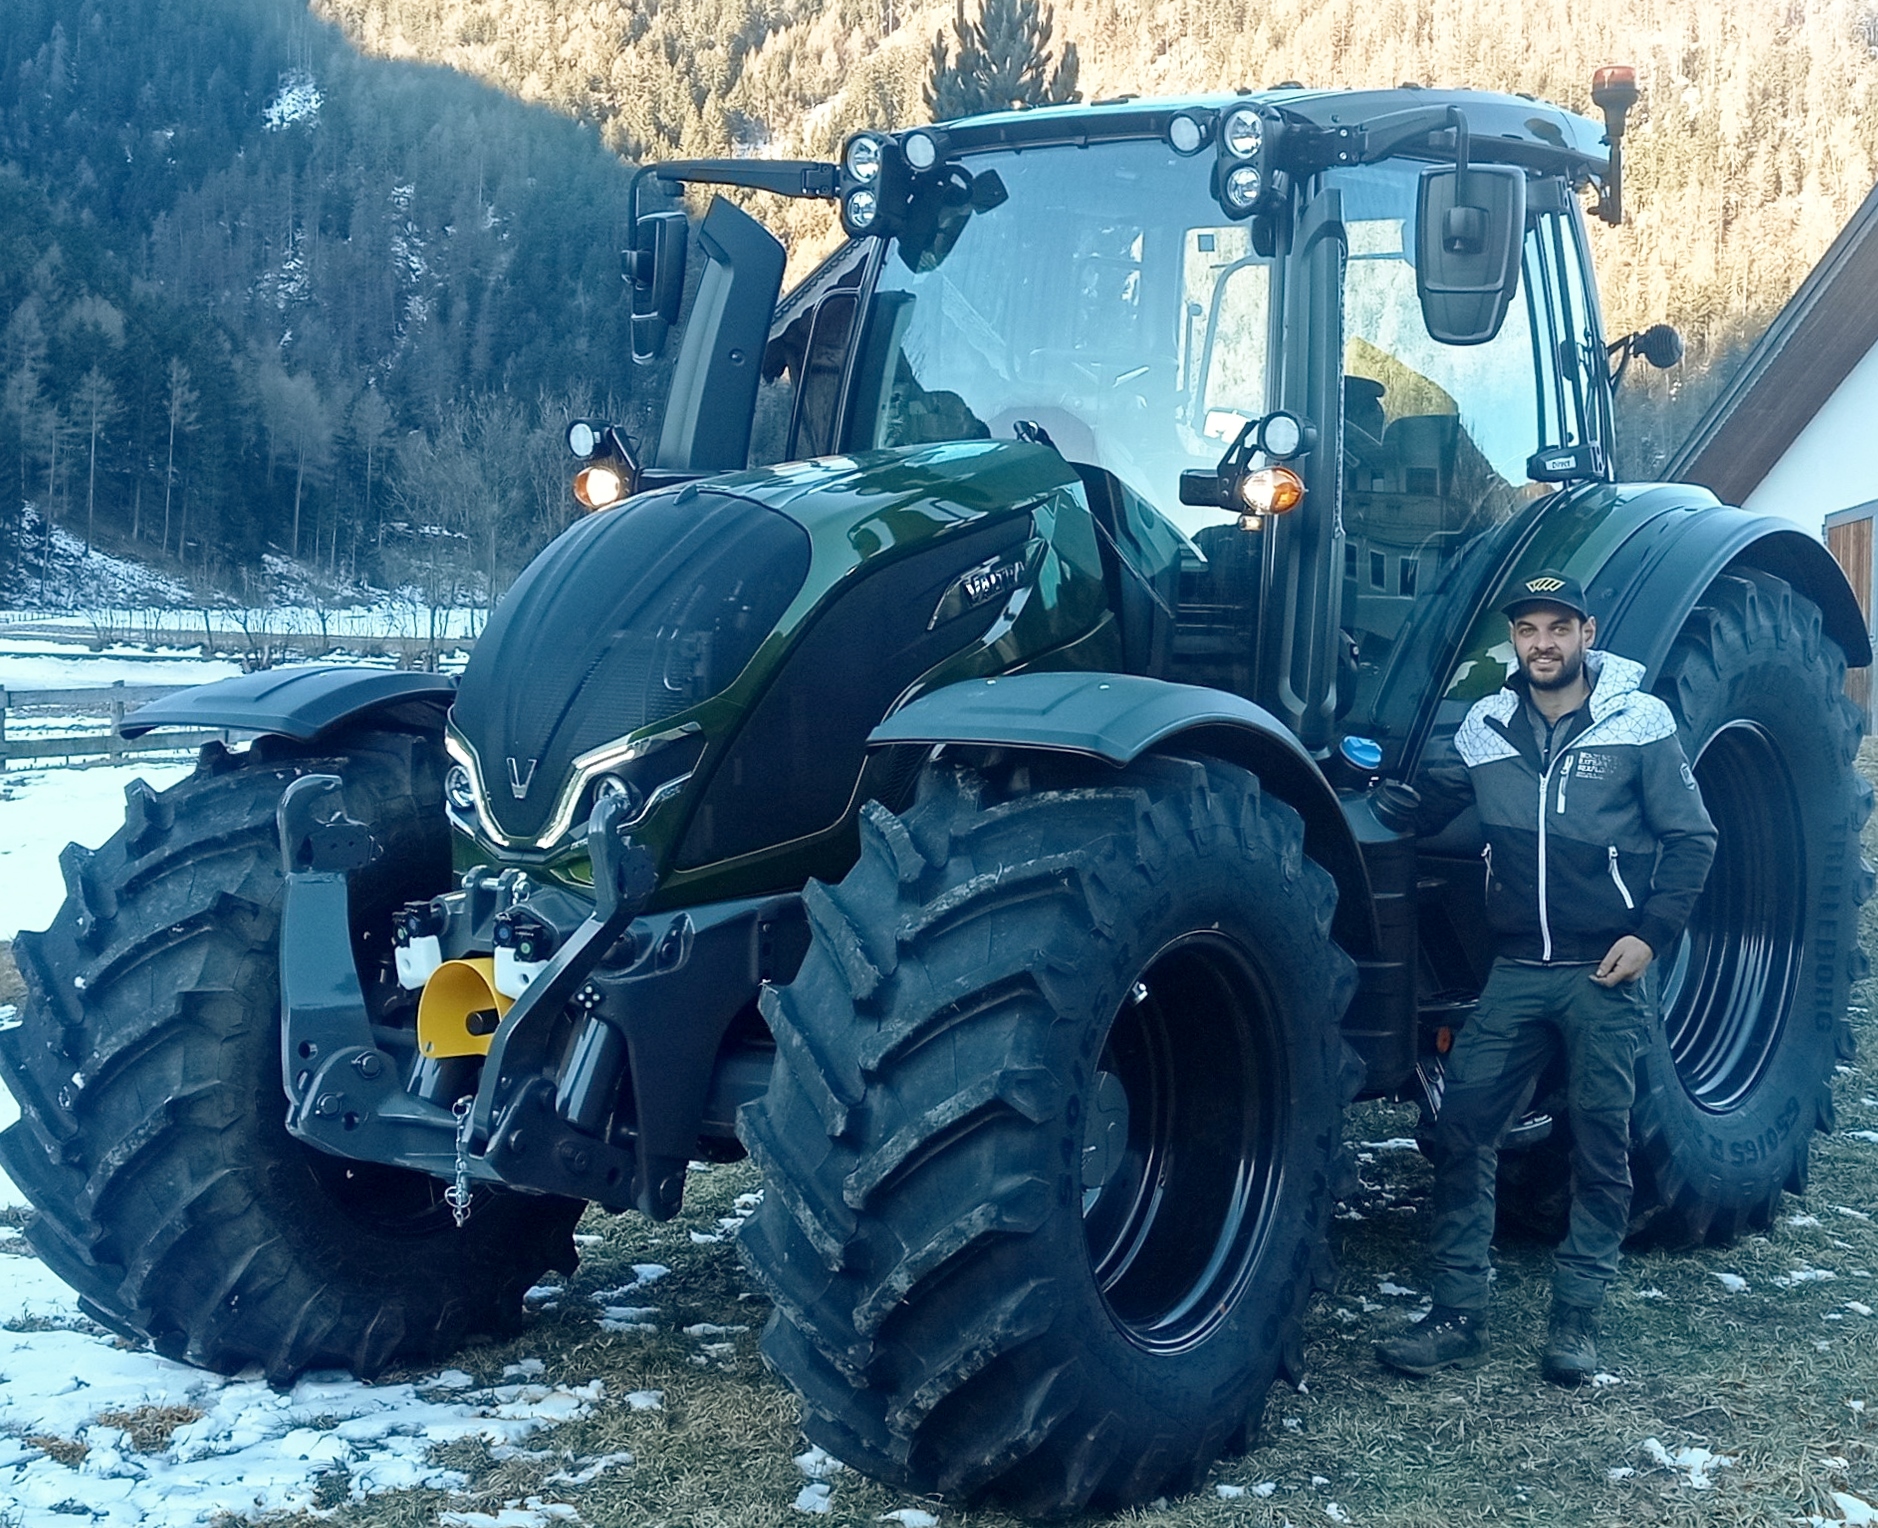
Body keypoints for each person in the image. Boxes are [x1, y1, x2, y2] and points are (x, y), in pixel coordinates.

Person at [1374, 570, 1717, 1386]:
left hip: (1603, 972)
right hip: (1519, 969)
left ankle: (1576, 1322)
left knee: (1600, 1148)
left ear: (1587, 634)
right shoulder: (1488, 725)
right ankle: (1458, 1315)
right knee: (1462, 1129)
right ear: (1515, 642)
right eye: (1527, 630)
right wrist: (1384, 804)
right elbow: (1441, 801)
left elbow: (1693, 837)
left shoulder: (1640, 721)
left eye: (1557, 628)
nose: (1542, 644)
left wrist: (1650, 934)